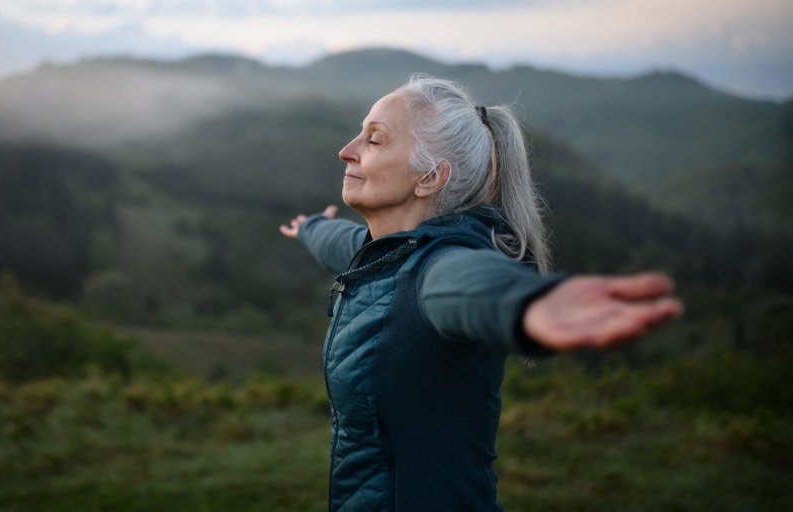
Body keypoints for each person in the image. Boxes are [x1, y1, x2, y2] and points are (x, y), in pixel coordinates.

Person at [278, 75, 683, 512]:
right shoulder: (384, 253)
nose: (347, 149)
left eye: (374, 140)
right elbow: (345, 244)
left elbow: (470, 284)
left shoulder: (436, 267)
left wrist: (527, 303)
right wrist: (311, 229)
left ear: (430, 178)